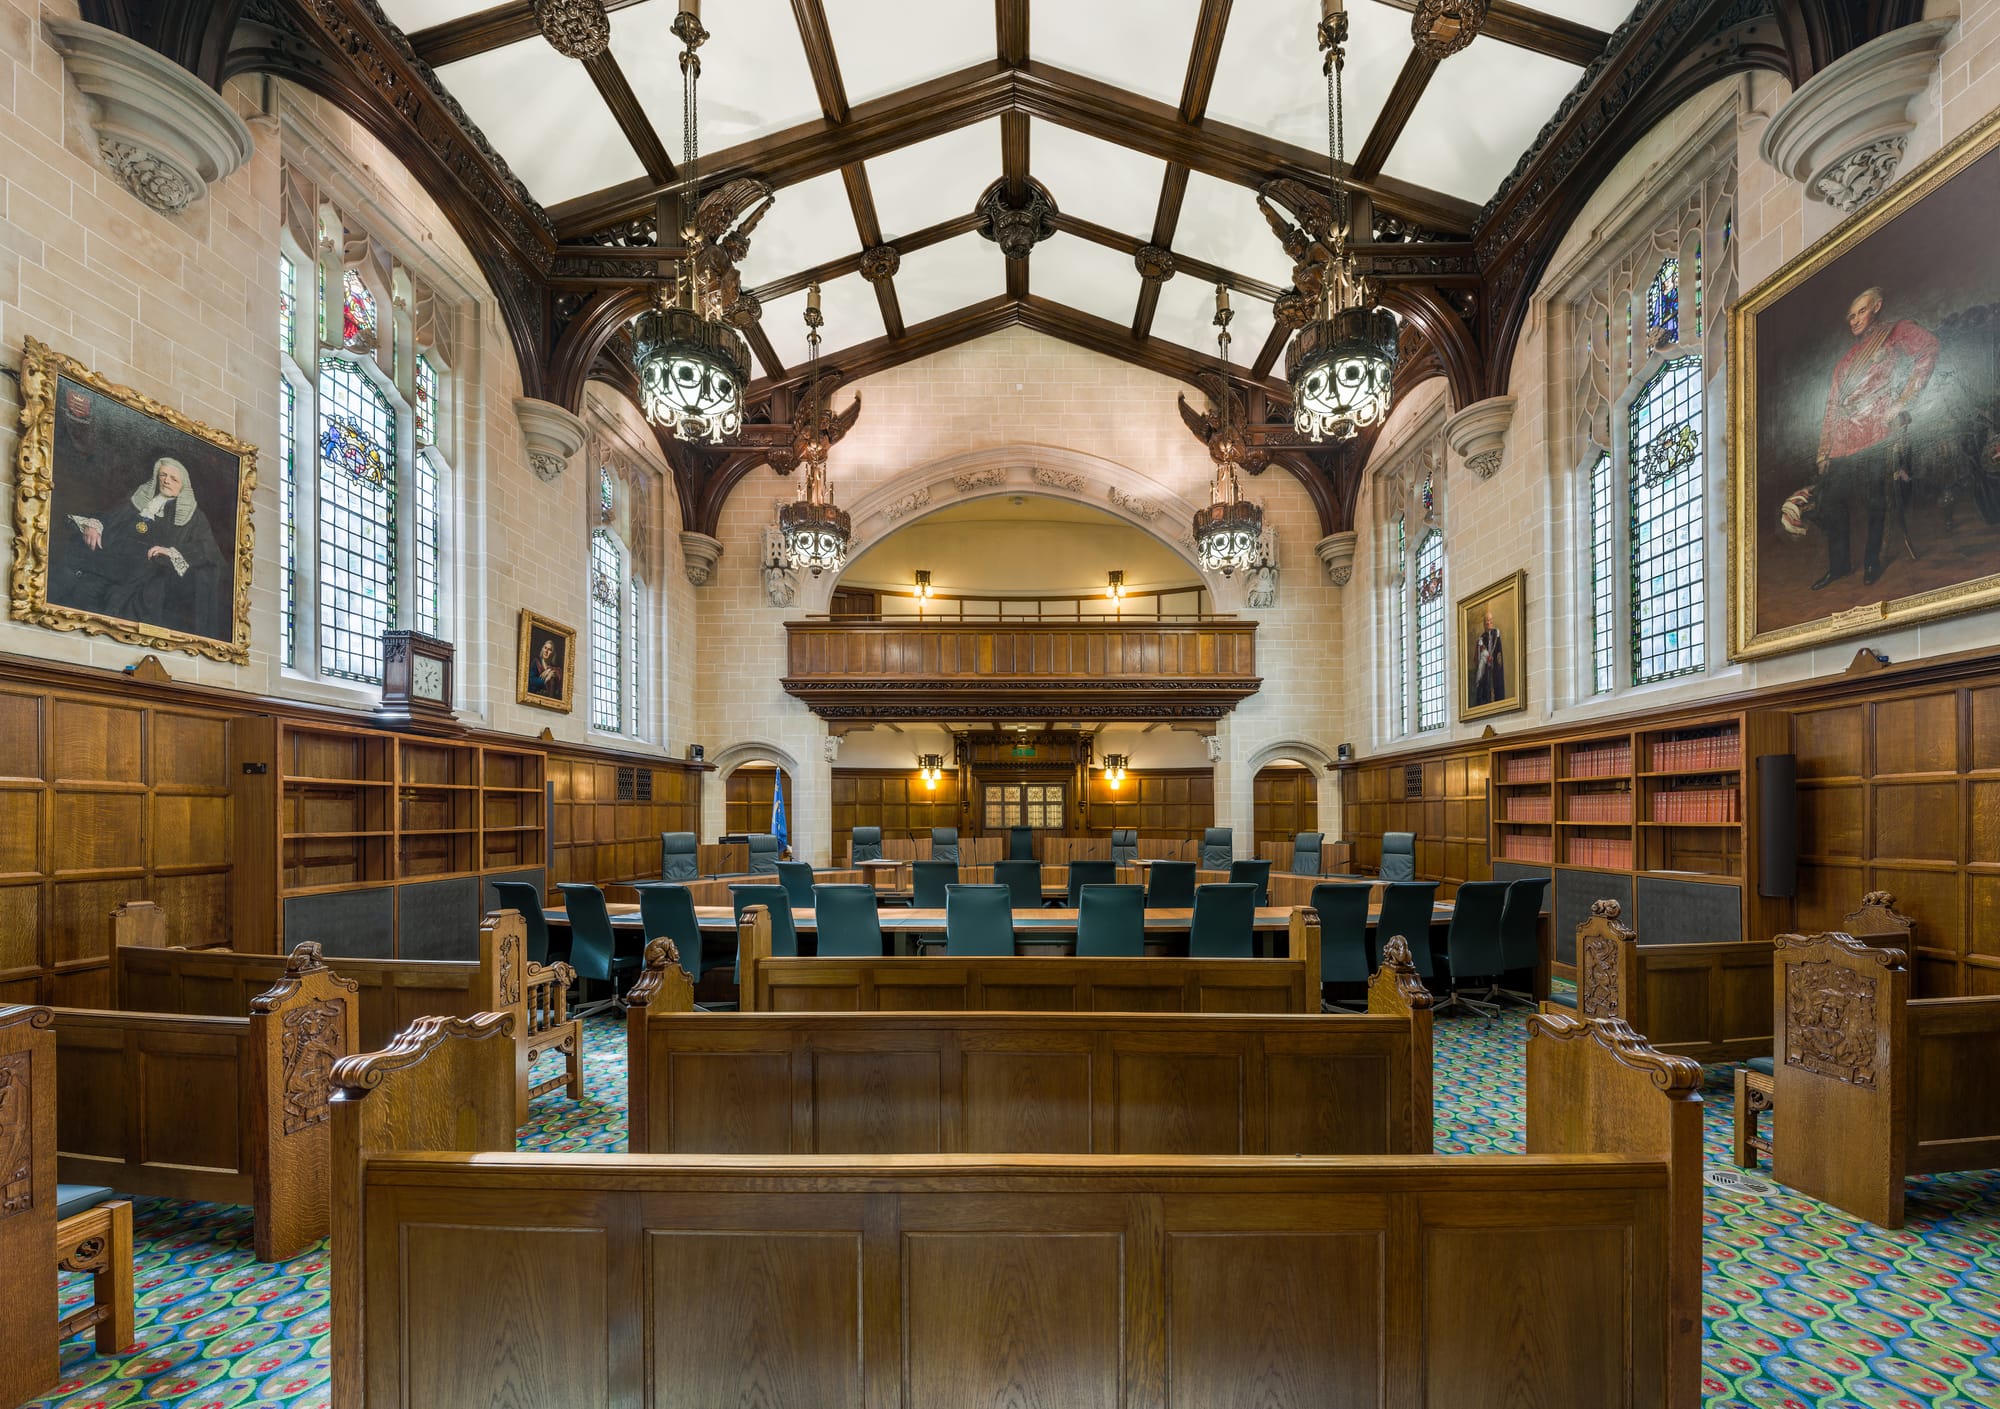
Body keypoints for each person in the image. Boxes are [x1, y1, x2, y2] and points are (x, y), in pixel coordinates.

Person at [1812, 287, 1939, 590]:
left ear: (1877, 307)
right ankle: (1839, 566)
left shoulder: (1895, 333)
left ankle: (1872, 561)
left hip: (1876, 431)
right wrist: (1823, 450)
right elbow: (1832, 406)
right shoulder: (1845, 362)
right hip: (1843, 440)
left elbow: (1929, 348)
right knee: (1829, 502)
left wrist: (1903, 401)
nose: (1855, 320)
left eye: (1861, 312)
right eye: (1851, 316)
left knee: (1874, 500)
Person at [60, 456, 226, 639]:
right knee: (82, 590)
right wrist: (94, 525)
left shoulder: (195, 517)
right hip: (113, 564)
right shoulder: (140, 498)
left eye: (173, 478)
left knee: (122, 602)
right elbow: (113, 518)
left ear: (183, 485)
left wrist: (170, 553)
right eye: (163, 475)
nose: (166, 480)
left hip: (151, 573)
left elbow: (207, 550)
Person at [1471, 607, 1505, 706]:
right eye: (1486, 621)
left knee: (1496, 682)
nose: (1488, 622)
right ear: (1484, 623)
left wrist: (1495, 661)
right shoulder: (1482, 637)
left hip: (1494, 666)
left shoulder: (1496, 634)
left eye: (1490, 620)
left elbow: (1498, 652)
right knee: (1485, 684)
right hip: (1486, 666)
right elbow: (1478, 656)